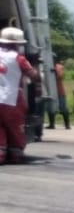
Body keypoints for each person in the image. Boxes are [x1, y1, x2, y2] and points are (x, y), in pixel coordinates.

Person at [0, 27, 38, 164]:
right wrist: (35, 67)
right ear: (15, 43)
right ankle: (15, 154)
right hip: (12, 98)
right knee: (15, 127)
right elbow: (33, 76)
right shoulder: (19, 59)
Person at [45, 56, 70, 130]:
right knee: (50, 108)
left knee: (63, 108)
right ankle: (52, 124)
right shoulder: (46, 67)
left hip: (59, 91)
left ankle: (67, 125)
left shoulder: (59, 67)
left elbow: (60, 76)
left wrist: (55, 71)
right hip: (50, 91)